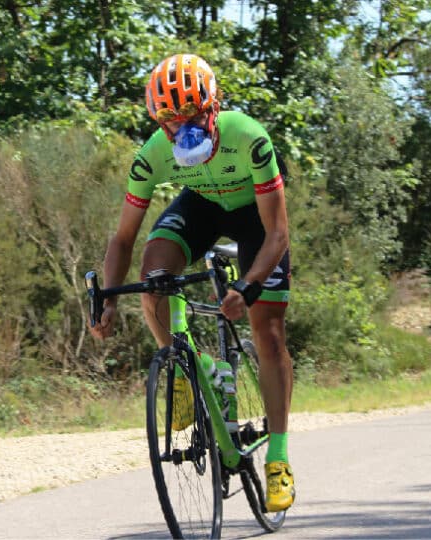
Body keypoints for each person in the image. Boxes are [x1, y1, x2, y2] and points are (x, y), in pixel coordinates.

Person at [88, 53, 295, 512]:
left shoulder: (249, 138)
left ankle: (277, 458)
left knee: (269, 332)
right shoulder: (153, 155)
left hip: (254, 220)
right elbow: (123, 238)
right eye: (170, 121)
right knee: (152, 278)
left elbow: (278, 233)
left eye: (193, 116)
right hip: (199, 207)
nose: (184, 130)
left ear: (214, 107)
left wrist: (251, 287)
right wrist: (107, 299)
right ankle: (190, 368)